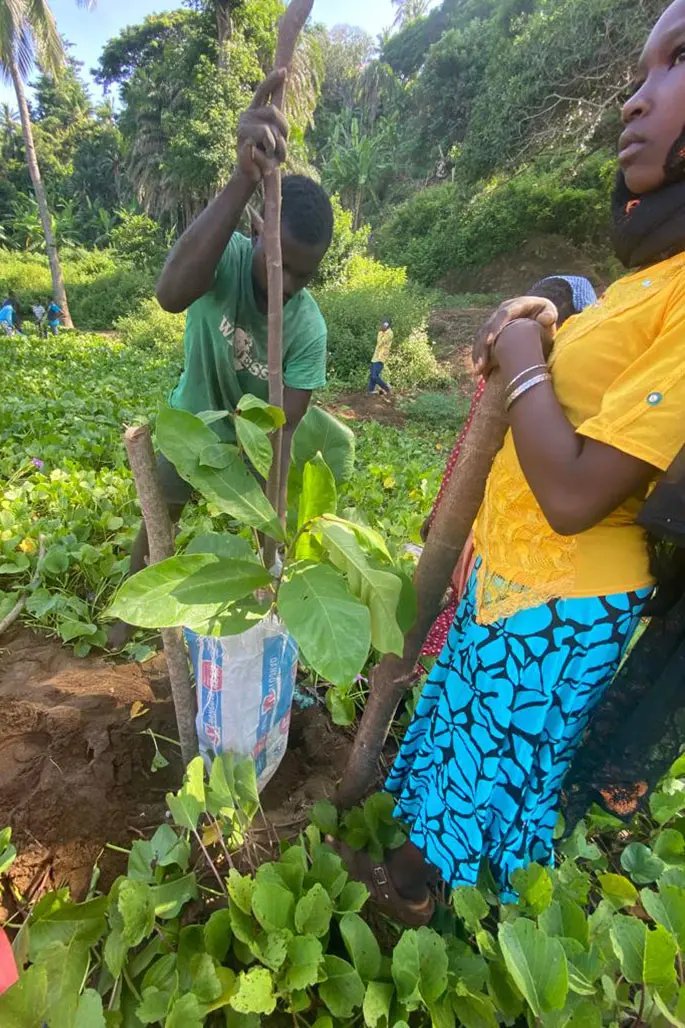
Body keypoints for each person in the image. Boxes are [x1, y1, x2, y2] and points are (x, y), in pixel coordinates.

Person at [333, 0, 685, 923]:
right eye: (639, 72)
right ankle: (423, 888)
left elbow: (573, 493)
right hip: (509, 577)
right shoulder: (655, 279)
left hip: (561, 601)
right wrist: (551, 313)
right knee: (455, 749)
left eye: (675, 62)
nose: (634, 102)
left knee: (478, 781)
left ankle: (412, 917)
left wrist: (526, 358)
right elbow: (596, 353)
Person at [107, 70, 334, 650]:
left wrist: (263, 500)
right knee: (160, 523)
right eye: (282, 260)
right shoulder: (224, 258)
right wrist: (243, 178)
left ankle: (262, 626)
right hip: (193, 425)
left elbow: (283, 430)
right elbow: (169, 295)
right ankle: (123, 626)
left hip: (253, 450)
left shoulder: (308, 327)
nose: (290, 282)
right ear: (259, 234)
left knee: (266, 540)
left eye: (306, 273)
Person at [419, 275, 598, 664]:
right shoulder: (533, 384)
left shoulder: (535, 383)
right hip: (490, 529)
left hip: (506, 537)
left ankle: (426, 672)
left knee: (465, 607)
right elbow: (468, 455)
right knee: (465, 607)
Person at [368, 318, 393, 397]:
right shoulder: (380, 333)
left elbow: (382, 342)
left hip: (381, 357)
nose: (380, 326)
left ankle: (386, 388)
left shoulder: (390, 333)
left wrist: (383, 331)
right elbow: (379, 341)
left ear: (386, 325)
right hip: (375, 356)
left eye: (382, 324)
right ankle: (370, 391)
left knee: (374, 376)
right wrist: (382, 331)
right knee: (372, 375)